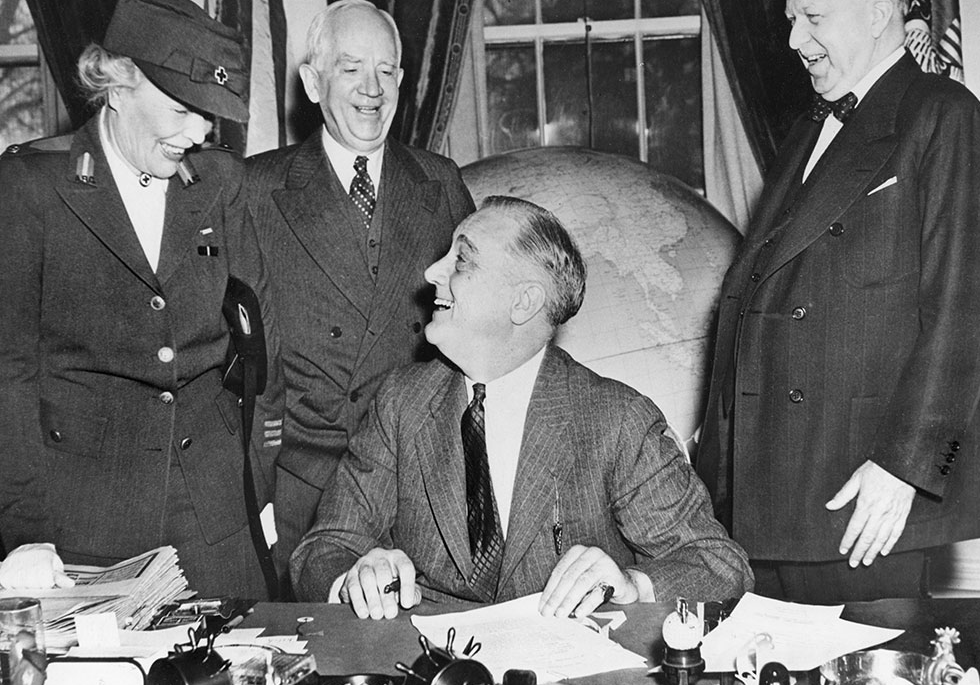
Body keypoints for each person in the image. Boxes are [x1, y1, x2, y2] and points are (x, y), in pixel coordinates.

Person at [696, 0, 980, 604]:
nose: (793, 41)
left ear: (877, 12)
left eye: (813, 17)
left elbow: (965, 313)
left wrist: (907, 468)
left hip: (866, 495)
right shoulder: (806, 132)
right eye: (789, 20)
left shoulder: (946, 117)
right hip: (767, 491)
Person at [290, 196, 753, 617]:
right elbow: (324, 547)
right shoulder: (400, 402)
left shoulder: (616, 420)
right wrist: (353, 578)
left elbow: (718, 564)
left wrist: (633, 585)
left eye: (461, 260)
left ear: (524, 302)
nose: (432, 272)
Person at [0, 0, 284, 599]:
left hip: (218, 516)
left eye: (209, 114)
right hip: (87, 522)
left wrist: (253, 486)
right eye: (183, 109)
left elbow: (260, 341)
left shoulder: (219, 181)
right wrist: (24, 531)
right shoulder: (31, 187)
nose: (199, 131)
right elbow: (9, 373)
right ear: (119, 83)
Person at [243, 0, 474, 591]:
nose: (372, 89)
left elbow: (480, 341)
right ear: (313, 84)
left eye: (387, 70)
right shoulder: (256, 190)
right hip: (305, 497)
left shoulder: (441, 182)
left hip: (418, 495)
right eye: (350, 69)